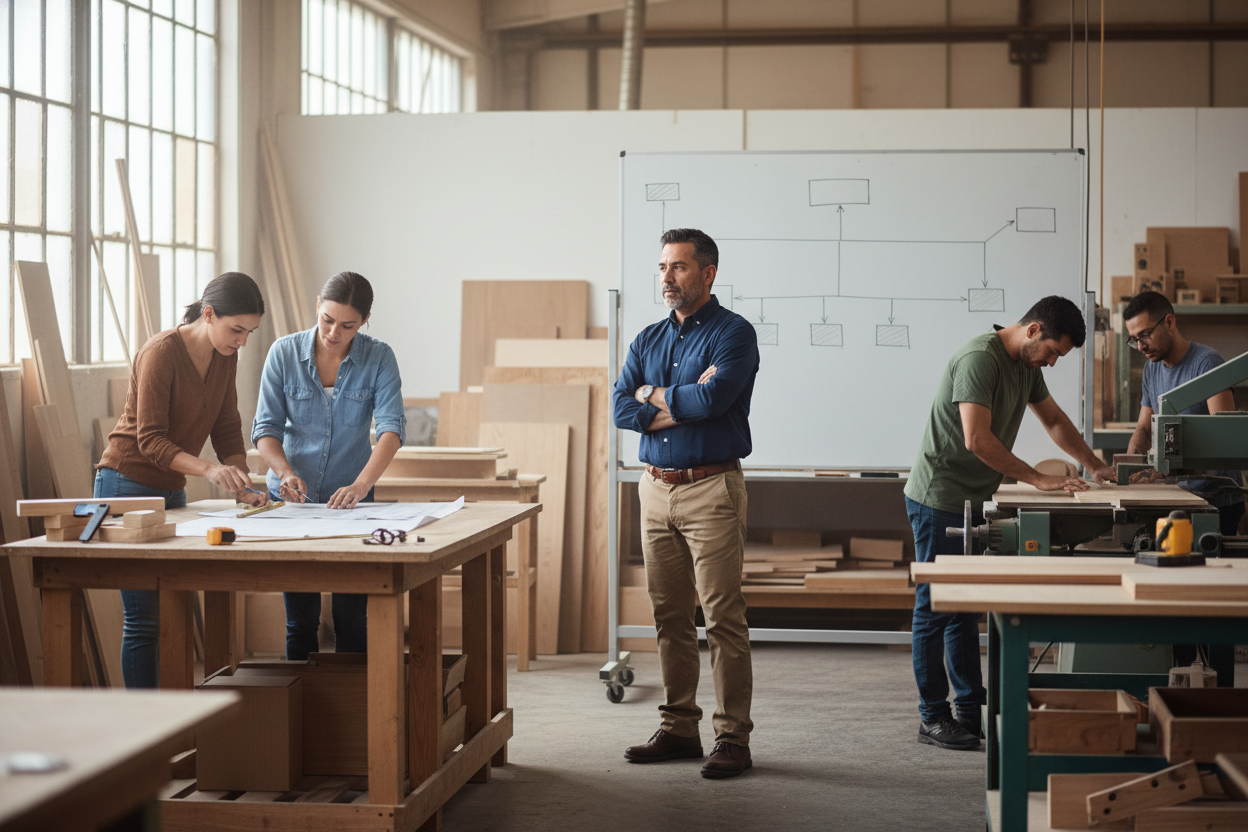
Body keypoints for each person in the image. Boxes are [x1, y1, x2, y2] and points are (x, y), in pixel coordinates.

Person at [904, 296, 1115, 750]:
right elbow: (977, 439)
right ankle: (932, 717)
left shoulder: (1027, 365)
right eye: (1054, 352)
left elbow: (1055, 420)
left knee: (963, 609)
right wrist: (1038, 478)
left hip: (974, 498)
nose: (1054, 363)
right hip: (939, 496)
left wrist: (1094, 465)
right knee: (935, 609)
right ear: (1034, 330)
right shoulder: (979, 359)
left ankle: (966, 712)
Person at [612, 228, 760, 779]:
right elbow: (621, 407)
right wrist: (670, 400)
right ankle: (679, 728)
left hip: (710, 489)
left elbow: (716, 397)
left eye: (677, 267)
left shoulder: (734, 334)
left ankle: (732, 739)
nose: (666, 277)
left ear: (707, 273)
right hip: (654, 488)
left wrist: (653, 397)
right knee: (668, 615)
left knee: (722, 617)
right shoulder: (648, 338)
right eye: (662, 267)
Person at [97, 271, 267, 689]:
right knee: (143, 620)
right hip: (126, 484)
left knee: (173, 608)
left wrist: (241, 482)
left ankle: (172, 720)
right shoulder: (160, 352)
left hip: (171, 489)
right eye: (236, 330)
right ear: (208, 314)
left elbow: (227, 426)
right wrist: (210, 470)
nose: (242, 341)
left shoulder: (226, 355)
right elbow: (150, 439)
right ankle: (145, 730)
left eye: (250, 332)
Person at [253, 271, 406, 660]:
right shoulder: (283, 353)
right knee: (300, 619)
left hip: (352, 502)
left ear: (364, 322)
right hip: (292, 502)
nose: (333, 332)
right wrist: (285, 472)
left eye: (347, 325)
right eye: (327, 319)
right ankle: (301, 709)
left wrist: (360, 485)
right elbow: (265, 430)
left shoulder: (379, 357)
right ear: (317, 307)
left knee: (352, 619)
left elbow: (391, 430)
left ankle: (352, 711)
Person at [1124, 291, 1245, 537]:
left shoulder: (1207, 363)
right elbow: (1144, 429)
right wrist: (1127, 471)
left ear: (1169, 322)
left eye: (1145, 335)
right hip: (1176, 497)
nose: (1140, 346)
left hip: (1215, 501)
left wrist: (1166, 469)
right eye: (1134, 339)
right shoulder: (1151, 368)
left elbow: (1225, 442)